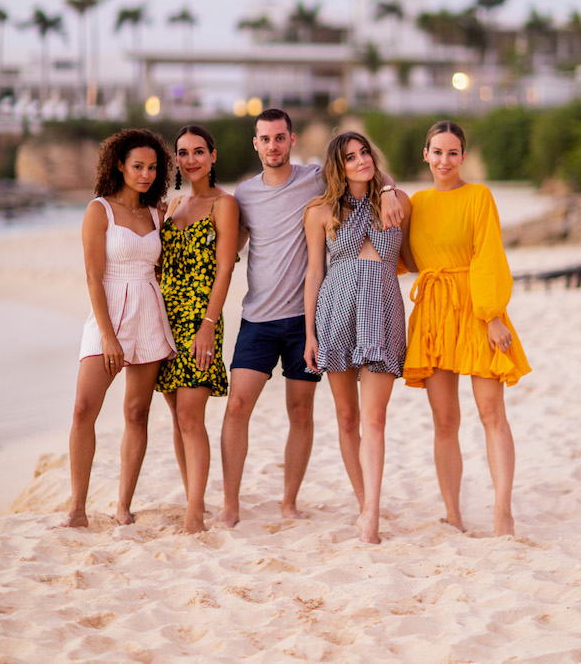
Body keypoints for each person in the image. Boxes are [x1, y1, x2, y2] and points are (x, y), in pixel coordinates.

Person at [220, 108, 404, 527]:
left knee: (304, 413)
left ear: (292, 139)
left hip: (329, 317)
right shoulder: (244, 195)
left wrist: (390, 187)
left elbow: (366, 172)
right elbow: (231, 245)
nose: (272, 145)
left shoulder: (315, 178)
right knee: (238, 405)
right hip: (268, 317)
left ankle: (295, 503)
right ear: (255, 143)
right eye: (265, 139)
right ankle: (230, 505)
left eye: (280, 137)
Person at [402, 120, 531, 537]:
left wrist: (493, 316)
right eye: (437, 152)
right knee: (444, 420)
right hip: (434, 314)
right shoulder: (415, 203)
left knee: (492, 413)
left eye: (452, 152)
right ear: (426, 154)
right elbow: (401, 257)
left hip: (476, 309)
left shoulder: (479, 196)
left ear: (463, 155)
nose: (444, 160)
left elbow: (489, 254)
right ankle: (453, 513)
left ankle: (502, 511)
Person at [64, 129, 176, 528]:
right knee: (82, 410)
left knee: (136, 412)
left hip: (148, 311)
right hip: (107, 314)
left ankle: (123, 506)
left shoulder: (157, 214)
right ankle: (77, 510)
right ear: (119, 165)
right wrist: (108, 336)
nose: (146, 174)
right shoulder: (100, 210)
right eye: (138, 166)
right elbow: (94, 278)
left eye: (152, 167)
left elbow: (167, 266)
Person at [303, 132, 411, 544]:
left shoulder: (396, 198)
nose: (362, 160)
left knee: (376, 418)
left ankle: (373, 513)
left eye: (365, 152)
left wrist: (386, 190)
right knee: (347, 419)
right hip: (338, 308)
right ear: (338, 165)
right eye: (351, 157)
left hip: (383, 308)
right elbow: (315, 273)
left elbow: (414, 254)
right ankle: (365, 503)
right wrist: (309, 333)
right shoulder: (319, 211)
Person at [154, 125, 239, 534]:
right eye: (184, 153)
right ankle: (194, 498)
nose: (191, 159)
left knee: (191, 415)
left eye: (199, 151)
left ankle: (195, 510)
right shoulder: (171, 206)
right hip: (165, 319)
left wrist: (208, 326)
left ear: (213, 156)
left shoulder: (224, 204)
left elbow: (225, 269)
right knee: (176, 415)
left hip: (200, 317)